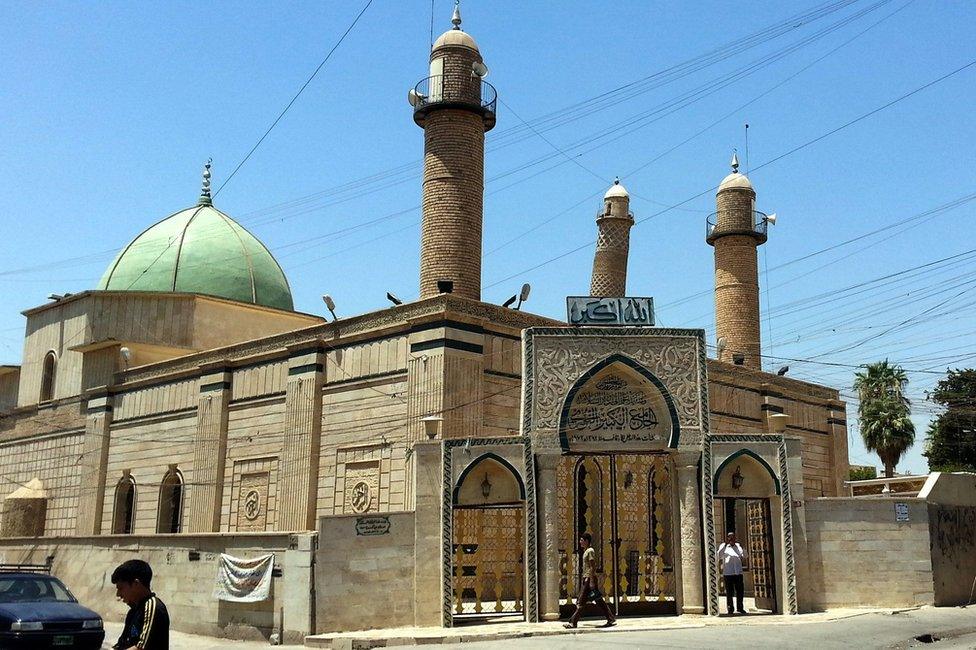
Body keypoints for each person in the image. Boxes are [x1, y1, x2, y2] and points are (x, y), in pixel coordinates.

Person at [111, 559, 169, 650]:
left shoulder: (152, 607)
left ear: (136, 584)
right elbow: (122, 643)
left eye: (121, 588)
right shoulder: (133, 611)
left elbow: (141, 647)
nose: (118, 594)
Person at [564, 532, 616, 629]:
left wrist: (591, 580)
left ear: (587, 541)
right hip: (587, 578)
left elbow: (592, 566)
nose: (580, 542)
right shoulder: (586, 551)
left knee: (581, 601)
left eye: (582, 540)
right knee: (598, 600)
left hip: (589, 579)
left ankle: (573, 622)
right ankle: (610, 618)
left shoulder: (590, 551)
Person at [717, 531, 747, 615]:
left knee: (740, 591)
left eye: (733, 537)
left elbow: (745, 556)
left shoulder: (738, 546)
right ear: (727, 538)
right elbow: (719, 555)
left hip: (738, 572)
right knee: (729, 592)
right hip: (728, 573)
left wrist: (743, 547)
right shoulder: (723, 546)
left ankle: (740, 608)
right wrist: (726, 545)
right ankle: (730, 608)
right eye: (729, 537)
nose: (731, 539)